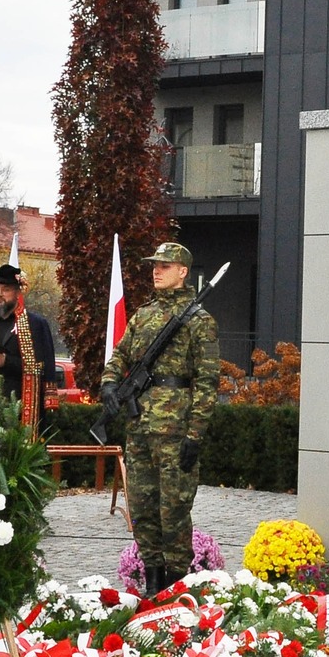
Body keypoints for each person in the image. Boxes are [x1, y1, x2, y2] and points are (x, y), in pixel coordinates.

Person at [101, 241, 220, 597]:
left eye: (164, 266)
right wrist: (109, 384)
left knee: (174, 511)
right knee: (142, 509)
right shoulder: (143, 315)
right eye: (154, 265)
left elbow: (207, 383)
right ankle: (151, 584)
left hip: (176, 430)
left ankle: (177, 586)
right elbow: (120, 355)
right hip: (139, 429)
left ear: (183, 272)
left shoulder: (199, 321)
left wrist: (195, 434)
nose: (156, 270)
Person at [0, 263, 57, 426]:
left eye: (5, 290)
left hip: (22, 403)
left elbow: (41, 367)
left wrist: (6, 361)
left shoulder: (35, 323)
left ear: (18, 292)